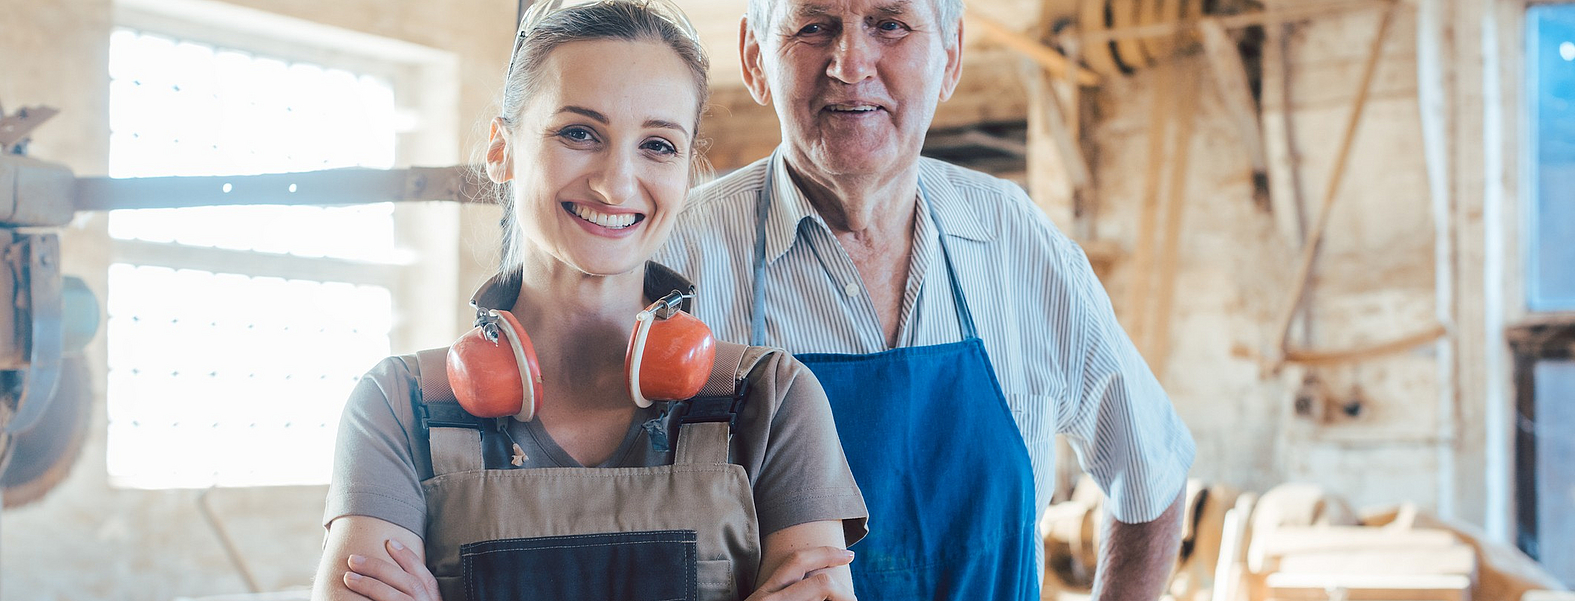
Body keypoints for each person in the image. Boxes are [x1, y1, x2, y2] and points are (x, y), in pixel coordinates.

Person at [309, 1, 867, 599]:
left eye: (658, 145)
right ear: (502, 149)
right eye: (579, 133)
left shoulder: (770, 399)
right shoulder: (399, 406)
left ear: (685, 172)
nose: (616, 182)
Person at [649, 0, 1197, 598]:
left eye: (890, 24)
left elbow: (1153, 477)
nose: (851, 63)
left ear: (952, 56)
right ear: (755, 60)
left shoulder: (1015, 239)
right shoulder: (674, 262)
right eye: (813, 26)